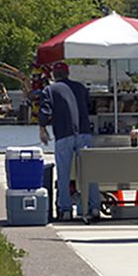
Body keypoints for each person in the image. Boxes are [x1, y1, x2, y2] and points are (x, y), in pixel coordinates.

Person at [39, 61, 101, 221]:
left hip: (64, 134)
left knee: (64, 175)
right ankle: (94, 207)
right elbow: (89, 106)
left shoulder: (49, 90)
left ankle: (65, 210)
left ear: (53, 75)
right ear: (68, 73)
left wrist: (42, 128)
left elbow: (45, 110)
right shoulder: (81, 88)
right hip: (84, 133)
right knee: (90, 173)